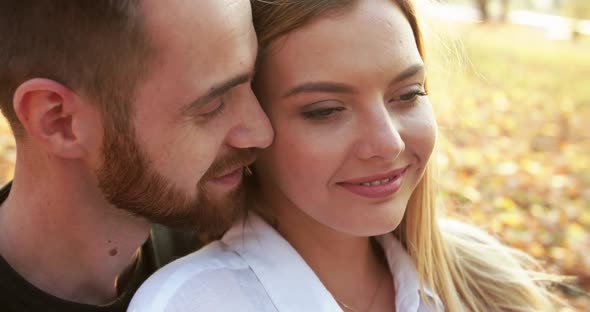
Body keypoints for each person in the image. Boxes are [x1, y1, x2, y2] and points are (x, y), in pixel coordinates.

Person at [129, 0, 563, 311]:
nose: (388, 142)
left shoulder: (486, 281)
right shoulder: (191, 303)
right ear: (251, 128)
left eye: (408, 94)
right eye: (326, 111)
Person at [0, 0, 273, 311]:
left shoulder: (239, 239)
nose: (262, 133)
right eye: (211, 106)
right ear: (58, 121)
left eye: (255, 83)